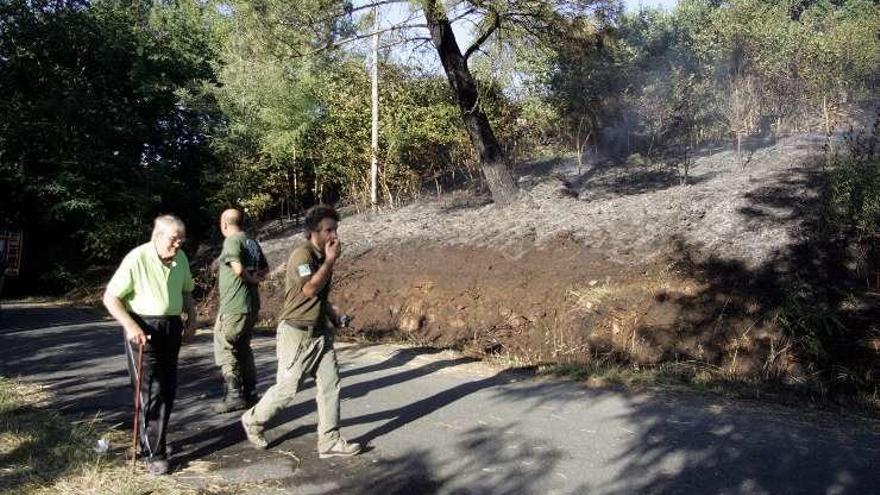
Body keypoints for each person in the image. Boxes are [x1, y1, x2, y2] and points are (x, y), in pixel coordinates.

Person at [240, 204, 361, 458]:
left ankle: (329, 440)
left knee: (331, 385)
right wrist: (330, 261)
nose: (334, 236)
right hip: (296, 333)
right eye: (328, 230)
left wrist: (334, 317)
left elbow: (320, 297)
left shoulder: (321, 258)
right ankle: (252, 420)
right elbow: (309, 290)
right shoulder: (302, 256)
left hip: (319, 333)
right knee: (287, 390)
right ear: (312, 233)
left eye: (335, 229)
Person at [103, 214, 197, 475]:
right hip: (143, 327)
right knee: (150, 389)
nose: (178, 244)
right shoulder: (137, 257)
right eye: (174, 238)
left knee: (168, 387)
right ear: (158, 236)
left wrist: (192, 319)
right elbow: (111, 298)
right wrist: (131, 326)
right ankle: (155, 452)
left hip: (171, 326)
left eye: (181, 239)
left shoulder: (180, 258)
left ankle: (151, 441)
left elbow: (186, 291)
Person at [214, 208, 268, 413]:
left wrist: (249, 278)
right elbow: (265, 269)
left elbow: (236, 268)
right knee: (244, 348)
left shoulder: (232, 241)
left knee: (225, 346)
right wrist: (256, 279)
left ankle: (234, 394)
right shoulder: (251, 241)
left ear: (224, 223)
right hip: (251, 305)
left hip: (234, 306)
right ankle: (250, 392)